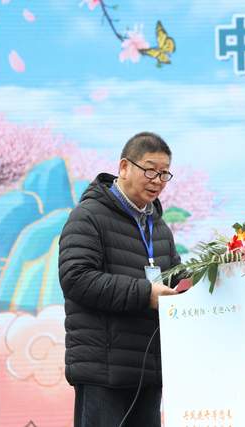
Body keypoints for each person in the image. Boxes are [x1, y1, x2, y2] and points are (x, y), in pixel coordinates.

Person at [59, 132, 185, 427]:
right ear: (124, 167)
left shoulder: (159, 227)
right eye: (150, 170)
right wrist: (146, 295)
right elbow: (76, 278)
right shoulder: (88, 216)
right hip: (103, 372)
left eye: (164, 173)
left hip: (148, 370)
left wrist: (213, 275)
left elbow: (175, 277)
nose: (157, 180)